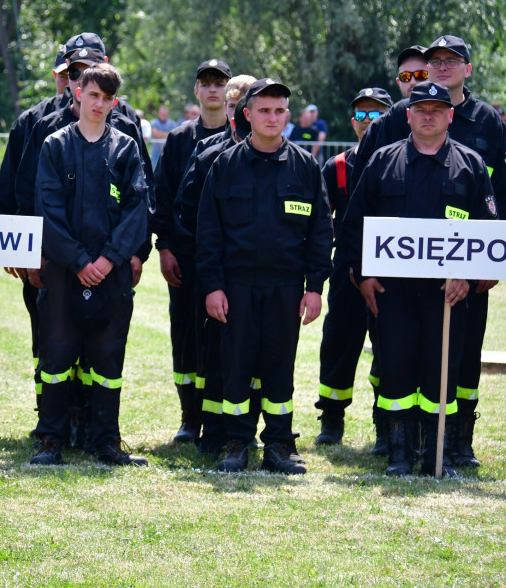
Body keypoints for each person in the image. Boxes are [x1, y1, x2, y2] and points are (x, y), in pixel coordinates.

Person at [352, 35, 506, 468]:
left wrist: (477, 270)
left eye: (437, 111)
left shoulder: (475, 156)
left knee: (450, 368)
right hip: (394, 290)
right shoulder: (384, 153)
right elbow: (357, 221)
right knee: (397, 365)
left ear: (450, 116)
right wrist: (360, 274)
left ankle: (445, 447)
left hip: (454, 288)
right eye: (420, 110)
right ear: (409, 114)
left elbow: (491, 218)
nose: (428, 117)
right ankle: (398, 449)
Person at [197, 78, 333, 474]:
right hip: (236, 287)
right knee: (236, 366)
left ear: (287, 117)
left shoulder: (306, 167)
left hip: (286, 289)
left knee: (279, 367)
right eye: (264, 110)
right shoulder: (226, 166)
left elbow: (321, 233)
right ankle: (237, 442)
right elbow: (209, 233)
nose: (272, 118)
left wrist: (314, 289)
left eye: (279, 111)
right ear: (248, 115)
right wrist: (213, 286)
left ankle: (278, 444)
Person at [29, 63, 150, 466]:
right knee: (57, 358)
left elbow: (138, 210)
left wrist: (108, 259)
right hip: (65, 272)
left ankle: (106, 443)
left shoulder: (126, 147)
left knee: (108, 359)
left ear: (115, 102)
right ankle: (51, 440)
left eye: (107, 98)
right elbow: (47, 210)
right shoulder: (55, 145)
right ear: (77, 92)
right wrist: (80, 260)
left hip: (111, 274)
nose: (98, 103)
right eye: (92, 94)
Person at [172, 74, 255, 457]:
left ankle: (249, 430)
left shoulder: (283, 156)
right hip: (213, 274)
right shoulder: (208, 154)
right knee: (211, 352)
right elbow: (188, 214)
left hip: (261, 280)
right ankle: (209, 430)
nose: (238, 113)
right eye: (233, 106)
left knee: (254, 356)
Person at [152, 58, 232, 446]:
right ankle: (189, 418)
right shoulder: (180, 139)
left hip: (227, 261)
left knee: (222, 338)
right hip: (184, 257)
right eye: (206, 83)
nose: (213, 89)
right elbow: (162, 197)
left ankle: (220, 416)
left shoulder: (241, 138)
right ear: (197, 91)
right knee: (184, 335)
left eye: (220, 82)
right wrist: (164, 247)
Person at [314, 87, 393, 447]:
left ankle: (386, 423)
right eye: (361, 114)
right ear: (352, 121)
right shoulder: (338, 166)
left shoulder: (402, 163)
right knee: (339, 343)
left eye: (376, 114)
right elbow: (320, 220)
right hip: (346, 268)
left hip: (392, 269)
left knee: (390, 346)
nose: (367, 121)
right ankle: (331, 420)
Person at [0, 42, 71, 421]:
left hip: (98, 258)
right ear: (56, 75)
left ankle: (87, 420)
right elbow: (14, 189)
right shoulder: (33, 122)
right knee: (46, 335)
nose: (70, 80)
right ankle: (50, 415)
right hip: (42, 254)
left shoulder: (120, 119)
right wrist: (17, 249)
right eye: (65, 73)